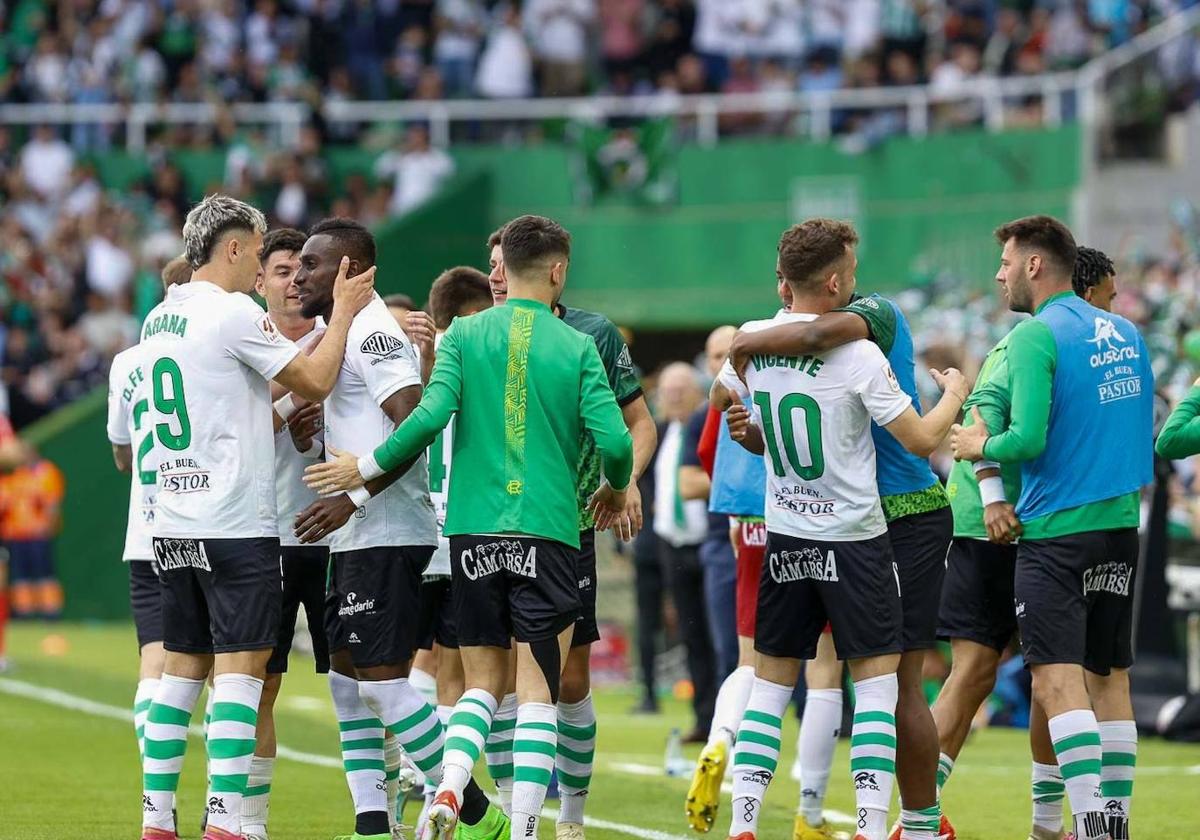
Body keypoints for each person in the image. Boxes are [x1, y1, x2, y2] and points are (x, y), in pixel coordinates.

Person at [303, 214, 634, 840]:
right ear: (559, 270)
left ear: (503, 265)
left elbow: (426, 419)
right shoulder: (578, 345)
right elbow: (616, 443)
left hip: (472, 537)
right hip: (548, 530)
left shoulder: (463, 337)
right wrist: (616, 487)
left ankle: (450, 787)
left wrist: (362, 469)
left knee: (479, 685)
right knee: (536, 692)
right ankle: (528, 827)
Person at [716, 219, 967, 840]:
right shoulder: (857, 351)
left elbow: (738, 388)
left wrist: (751, 375)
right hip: (864, 529)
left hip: (800, 530)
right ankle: (883, 825)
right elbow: (920, 437)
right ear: (834, 278)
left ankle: (746, 824)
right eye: (849, 273)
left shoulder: (768, 331)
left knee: (778, 684)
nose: (856, 283)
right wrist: (957, 393)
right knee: (882, 683)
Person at [137, 194, 374, 840]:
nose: (270, 268)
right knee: (240, 674)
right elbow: (318, 381)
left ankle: (156, 822)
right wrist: (345, 314)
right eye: (259, 249)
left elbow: (229, 392)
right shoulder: (233, 312)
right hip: (233, 521)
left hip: (172, 523)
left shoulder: (160, 319)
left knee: (181, 672)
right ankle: (224, 824)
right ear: (235, 246)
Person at [951, 216, 1153, 840]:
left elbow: (1028, 439)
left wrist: (978, 440)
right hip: (1121, 527)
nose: (1001, 274)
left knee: (1057, 680)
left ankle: (1090, 827)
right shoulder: (1125, 331)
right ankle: (1112, 824)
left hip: (1057, 532)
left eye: (1007, 262)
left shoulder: (1038, 335)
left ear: (1035, 265)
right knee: (1110, 678)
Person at [278, 217, 449, 840]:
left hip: (385, 528)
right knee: (348, 681)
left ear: (351, 270)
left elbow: (416, 421)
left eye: (313, 265)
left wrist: (353, 495)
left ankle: (472, 809)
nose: (300, 275)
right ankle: (372, 823)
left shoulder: (373, 329)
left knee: (381, 683)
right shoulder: (337, 331)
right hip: (354, 534)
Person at [487, 224, 657, 838]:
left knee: (569, 679)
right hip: (488, 525)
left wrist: (626, 481)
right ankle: (511, 809)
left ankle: (571, 819)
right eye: (491, 263)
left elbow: (638, 424)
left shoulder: (592, 334)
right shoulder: (479, 334)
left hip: (570, 525)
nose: (497, 274)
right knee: (497, 675)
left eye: (504, 262)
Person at [690, 278, 847, 840]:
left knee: (751, 659)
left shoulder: (742, 361)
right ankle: (808, 810)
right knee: (824, 667)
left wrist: (736, 517)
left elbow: (711, 453)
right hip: (809, 515)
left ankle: (719, 742)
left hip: (747, 523)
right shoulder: (816, 348)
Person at [237, 228, 336, 840]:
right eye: (280, 270)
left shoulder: (340, 342)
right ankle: (249, 823)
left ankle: (380, 817)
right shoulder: (244, 340)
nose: (294, 280)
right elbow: (238, 429)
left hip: (336, 536)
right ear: (259, 281)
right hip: (266, 533)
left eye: (303, 269)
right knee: (261, 684)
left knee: (366, 681)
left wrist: (323, 430)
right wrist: (287, 416)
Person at [106, 256, 191, 783]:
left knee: (155, 664)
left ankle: (159, 791)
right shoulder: (212, 345)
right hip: (206, 522)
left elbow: (121, 456)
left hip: (145, 529)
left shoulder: (128, 359)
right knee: (229, 672)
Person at [654, 362, 719, 744]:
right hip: (671, 545)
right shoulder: (662, 433)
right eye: (669, 390)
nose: (675, 396)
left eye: (681, 389)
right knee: (691, 635)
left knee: (719, 635)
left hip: (706, 540)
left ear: (697, 391)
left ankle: (726, 719)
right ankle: (703, 716)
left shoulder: (703, 429)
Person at [0, 450, 65, 619]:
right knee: (20, 576)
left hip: (37, 534)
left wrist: (49, 526)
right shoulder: (14, 475)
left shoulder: (45, 472)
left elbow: (51, 503)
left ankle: (51, 613)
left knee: (44, 573)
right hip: (16, 534)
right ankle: (24, 613)